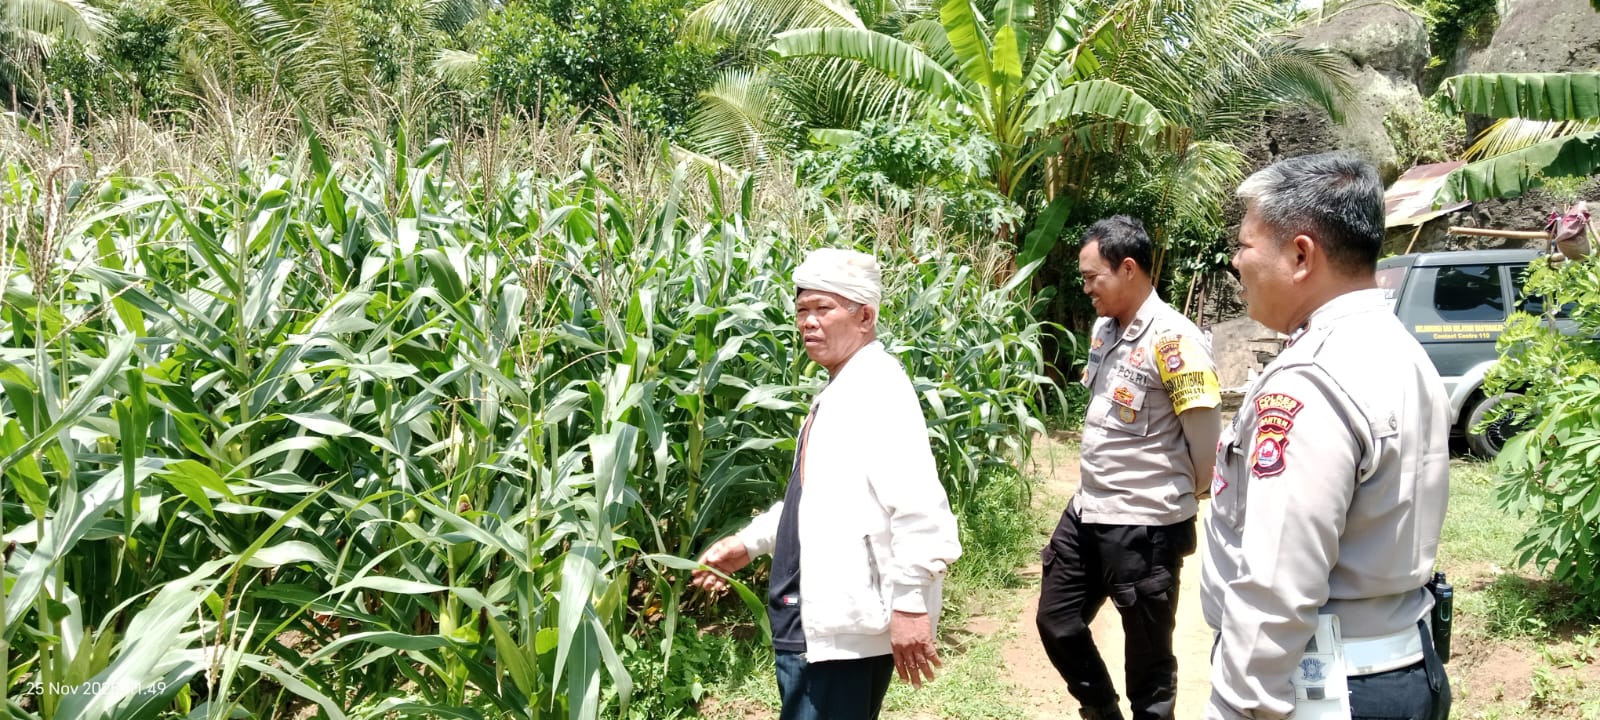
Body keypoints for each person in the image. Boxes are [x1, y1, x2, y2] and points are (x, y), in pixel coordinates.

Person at [1202, 152, 1452, 720]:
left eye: (1244, 245)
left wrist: (1238, 705)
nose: (1236, 262)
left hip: (1328, 688)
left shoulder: (1312, 378)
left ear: (1300, 255)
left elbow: (1278, 582)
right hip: (1403, 668)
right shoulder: (1401, 349)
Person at [690, 247, 962, 720]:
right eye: (802, 310)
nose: (808, 323)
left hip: (844, 627)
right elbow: (819, 498)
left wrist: (910, 604)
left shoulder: (876, 388)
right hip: (820, 620)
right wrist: (749, 544)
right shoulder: (842, 387)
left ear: (865, 317)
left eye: (823, 308)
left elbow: (919, 507)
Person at [1037, 216, 1222, 720]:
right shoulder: (1105, 330)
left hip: (1145, 523)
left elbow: (1206, 447)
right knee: (1057, 620)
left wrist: (1174, 493)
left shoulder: (1174, 340)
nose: (1086, 288)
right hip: (1089, 509)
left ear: (1128, 268)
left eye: (1092, 277)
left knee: (1148, 664)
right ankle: (1101, 710)